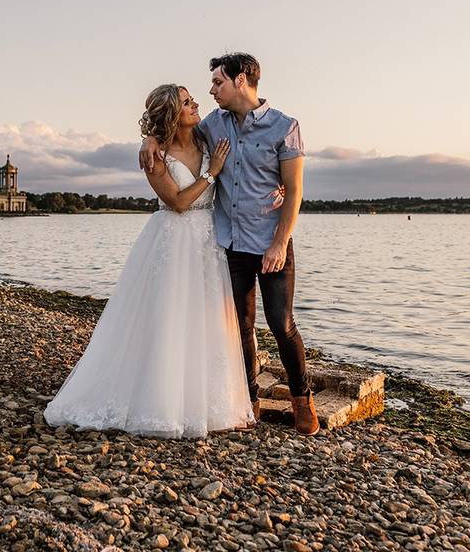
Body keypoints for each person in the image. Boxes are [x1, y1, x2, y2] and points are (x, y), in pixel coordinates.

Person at [44, 84, 254, 438]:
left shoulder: (204, 138)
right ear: (173, 114)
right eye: (187, 103)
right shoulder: (155, 156)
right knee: (167, 318)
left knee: (202, 320)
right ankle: (160, 402)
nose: (195, 104)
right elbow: (178, 202)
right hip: (174, 239)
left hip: (208, 240)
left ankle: (204, 403)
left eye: (191, 100)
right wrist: (210, 172)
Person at [139, 53, 319, 436]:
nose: (210, 90)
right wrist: (150, 137)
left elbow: (295, 192)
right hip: (229, 243)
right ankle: (248, 399)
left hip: (271, 242)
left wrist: (279, 242)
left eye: (218, 82)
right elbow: (174, 129)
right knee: (239, 325)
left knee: (281, 323)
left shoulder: (285, 127)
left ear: (241, 81)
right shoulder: (212, 124)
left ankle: (302, 400)